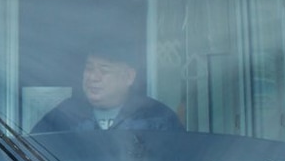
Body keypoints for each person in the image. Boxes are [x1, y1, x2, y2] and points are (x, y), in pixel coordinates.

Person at [33, 39, 182, 139]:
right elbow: (32, 158)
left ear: (129, 77)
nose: (93, 77)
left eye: (104, 70)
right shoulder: (63, 116)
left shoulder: (157, 119)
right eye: (89, 68)